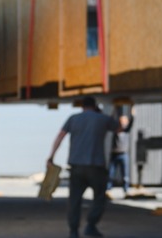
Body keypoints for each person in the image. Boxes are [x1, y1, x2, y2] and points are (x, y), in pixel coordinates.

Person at [48, 96, 120, 238]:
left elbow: (60, 137)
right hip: (96, 166)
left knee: (74, 200)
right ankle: (91, 225)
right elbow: (119, 128)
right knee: (99, 197)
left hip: (76, 166)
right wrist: (110, 112)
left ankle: (73, 231)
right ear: (95, 106)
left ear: (82, 106)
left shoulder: (73, 118)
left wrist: (51, 157)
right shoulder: (102, 119)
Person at [107, 107, 134, 196]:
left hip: (123, 154)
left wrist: (132, 109)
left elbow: (132, 120)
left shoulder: (126, 130)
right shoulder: (115, 130)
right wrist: (114, 109)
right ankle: (108, 189)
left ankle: (126, 190)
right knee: (111, 173)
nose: (122, 123)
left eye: (124, 121)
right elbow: (110, 121)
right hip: (114, 154)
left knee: (125, 175)